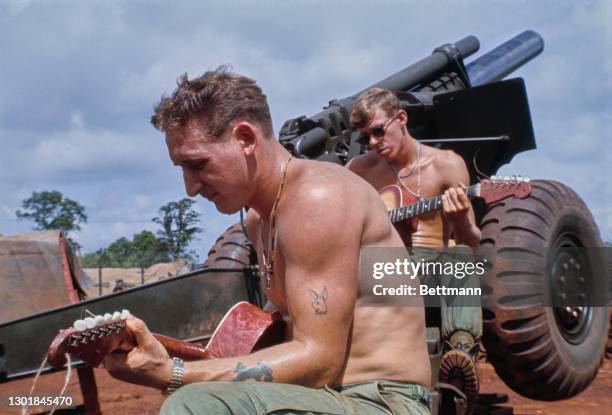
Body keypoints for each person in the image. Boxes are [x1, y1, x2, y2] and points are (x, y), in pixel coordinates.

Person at [103, 68, 432, 414]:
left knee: (196, 403)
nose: (190, 187)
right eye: (181, 169)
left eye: (197, 164)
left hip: (381, 401)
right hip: (329, 398)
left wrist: (174, 374)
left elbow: (319, 361)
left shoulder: (318, 197)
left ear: (245, 138)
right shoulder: (259, 220)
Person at [347, 88, 483, 413]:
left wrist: (461, 217)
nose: (374, 143)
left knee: (461, 256)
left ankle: (461, 352)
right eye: (365, 137)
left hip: (433, 271)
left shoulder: (447, 165)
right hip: (384, 271)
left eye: (379, 131)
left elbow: (471, 239)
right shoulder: (358, 170)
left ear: (401, 118)